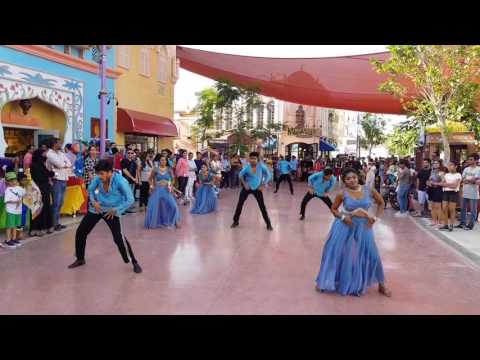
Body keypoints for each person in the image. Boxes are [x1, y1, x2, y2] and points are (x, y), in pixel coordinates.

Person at [315, 168, 391, 297]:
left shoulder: (368, 190)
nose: (352, 180)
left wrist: (375, 218)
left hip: (364, 226)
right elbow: (334, 209)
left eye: (354, 177)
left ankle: (381, 284)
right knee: (336, 253)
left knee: (372, 254)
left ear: (358, 177)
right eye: (348, 178)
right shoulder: (342, 193)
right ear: (344, 181)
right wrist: (344, 217)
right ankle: (325, 280)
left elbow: (381, 203)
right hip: (344, 225)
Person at [67, 160, 142, 273]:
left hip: (112, 211)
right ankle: (80, 258)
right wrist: (93, 202)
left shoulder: (120, 181)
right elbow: (90, 190)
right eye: (98, 174)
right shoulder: (98, 178)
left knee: (118, 238)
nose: (99, 176)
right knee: (81, 231)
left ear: (109, 172)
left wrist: (117, 210)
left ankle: (133, 261)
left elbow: (130, 199)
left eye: (102, 174)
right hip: (96, 209)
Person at [231, 152, 273, 231]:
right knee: (240, 203)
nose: (252, 160)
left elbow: (268, 175)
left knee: (262, 206)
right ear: (249, 159)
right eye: (251, 158)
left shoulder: (261, 166)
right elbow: (240, 175)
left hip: (257, 189)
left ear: (257, 160)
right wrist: (244, 184)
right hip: (247, 188)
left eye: (254, 159)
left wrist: (263, 185)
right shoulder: (247, 167)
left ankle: (268, 223)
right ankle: (235, 221)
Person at [144, 155, 181, 229]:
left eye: (164, 160)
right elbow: (149, 179)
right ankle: (155, 222)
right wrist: (151, 186)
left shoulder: (169, 169)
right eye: (161, 160)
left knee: (173, 205)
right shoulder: (155, 169)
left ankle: (175, 221)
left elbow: (173, 179)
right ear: (159, 161)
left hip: (167, 190)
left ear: (166, 161)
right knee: (155, 206)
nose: (163, 161)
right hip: (157, 190)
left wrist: (170, 184)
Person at [46, 138, 72, 231]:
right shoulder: (49, 153)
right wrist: (63, 165)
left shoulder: (61, 153)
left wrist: (64, 164)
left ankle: (57, 223)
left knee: (60, 202)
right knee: (56, 203)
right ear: (54, 144)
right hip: (56, 180)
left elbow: (69, 163)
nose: (61, 144)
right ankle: (53, 224)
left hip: (64, 179)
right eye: (59, 143)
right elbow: (60, 164)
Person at [30, 149, 55, 236]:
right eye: (43, 154)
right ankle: (44, 228)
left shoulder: (33, 165)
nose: (45, 156)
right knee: (44, 207)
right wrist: (52, 172)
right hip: (43, 188)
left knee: (36, 208)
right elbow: (48, 174)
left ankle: (35, 229)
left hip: (36, 189)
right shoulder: (40, 166)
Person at [432, 161, 462, 232]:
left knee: (451, 209)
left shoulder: (458, 175)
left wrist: (445, 184)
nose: (449, 167)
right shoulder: (446, 175)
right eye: (448, 165)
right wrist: (444, 184)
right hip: (445, 192)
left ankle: (451, 224)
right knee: (444, 208)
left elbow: (454, 186)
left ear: (455, 166)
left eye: (451, 165)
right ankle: (445, 224)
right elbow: (442, 183)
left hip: (453, 193)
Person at [1, 172, 25, 248]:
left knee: (15, 225)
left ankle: (13, 239)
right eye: (11, 180)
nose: (13, 182)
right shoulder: (8, 190)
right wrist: (15, 201)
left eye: (14, 180)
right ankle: (8, 240)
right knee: (9, 226)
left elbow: (24, 193)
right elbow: (6, 200)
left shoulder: (19, 188)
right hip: (11, 210)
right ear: (7, 182)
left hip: (18, 210)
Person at [457, 154, 480, 230]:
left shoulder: (478, 169)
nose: (469, 161)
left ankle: (470, 224)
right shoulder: (466, 169)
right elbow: (462, 179)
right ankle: (462, 223)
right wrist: (470, 180)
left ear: (476, 160)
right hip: (465, 190)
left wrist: (469, 180)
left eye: (471, 159)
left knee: (473, 209)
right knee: (463, 208)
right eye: (469, 159)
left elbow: (476, 180)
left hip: (473, 192)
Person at [120, 148, 138, 213]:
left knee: (130, 194)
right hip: (126, 181)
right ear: (126, 154)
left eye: (132, 153)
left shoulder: (134, 162)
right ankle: (123, 209)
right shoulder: (124, 161)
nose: (130, 154)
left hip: (132, 181)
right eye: (129, 153)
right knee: (125, 194)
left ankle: (128, 207)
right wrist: (132, 178)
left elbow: (136, 171)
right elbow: (124, 170)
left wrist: (136, 179)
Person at [426, 160, 444, 227]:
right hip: (431, 190)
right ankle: (434, 221)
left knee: (438, 207)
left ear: (440, 164)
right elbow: (429, 180)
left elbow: (443, 182)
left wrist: (435, 183)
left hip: (438, 190)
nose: (435, 164)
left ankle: (440, 222)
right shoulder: (432, 171)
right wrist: (428, 183)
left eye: (437, 163)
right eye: (434, 163)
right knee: (432, 206)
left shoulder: (441, 173)